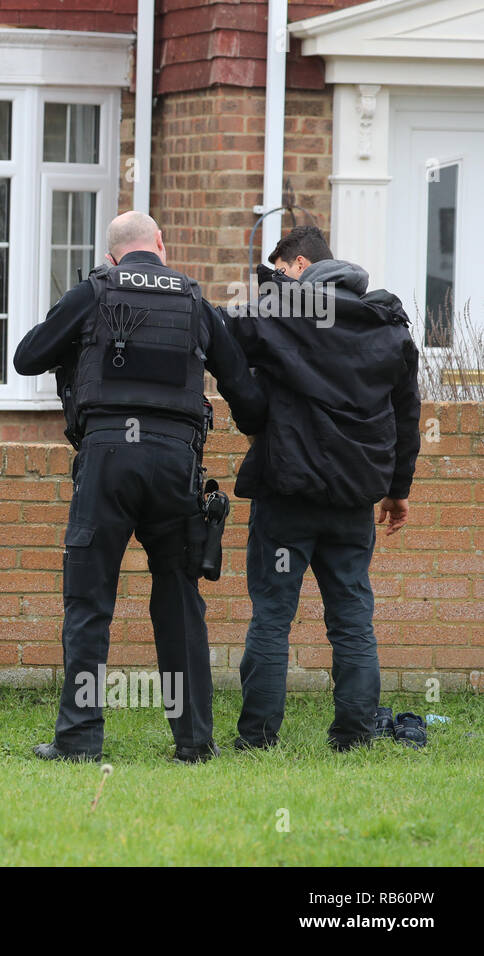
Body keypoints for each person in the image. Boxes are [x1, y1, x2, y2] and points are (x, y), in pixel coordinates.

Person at [13, 210, 266, 763]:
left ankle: (79, 740)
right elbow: (243, 389)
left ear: (111, 256)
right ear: (161, 246)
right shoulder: (195, 302)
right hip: (176, 463)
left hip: (106, 459)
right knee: (179, 600)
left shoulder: (92, 291)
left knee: (89, 600)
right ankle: (196, 743)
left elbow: (26, 357)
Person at [223, 224, 421, 751]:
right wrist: (398, 489)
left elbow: (224, 338)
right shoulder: (388, 326)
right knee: (352, 617)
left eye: (281, 273)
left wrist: (254, 413)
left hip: (287, 495)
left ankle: (258, 739)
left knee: (271, 617)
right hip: (353, 502)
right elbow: (406, 417)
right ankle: (354, 737)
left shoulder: (281, 318)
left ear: (303, 268)